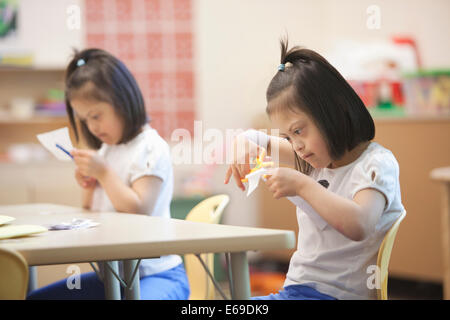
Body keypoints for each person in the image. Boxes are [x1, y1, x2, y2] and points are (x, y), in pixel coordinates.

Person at [224, 39, 405, 300]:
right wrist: (244, 142)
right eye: (287, 137)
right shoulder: (314, 159)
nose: (296, 146)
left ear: (332, 111)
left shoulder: (375, 164)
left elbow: (360, 225)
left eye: (298, 131)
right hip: (299, 291)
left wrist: (302, 185)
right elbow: (257, 139)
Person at [28, 49, 189, 300]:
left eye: (96, 116)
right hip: (114, 278)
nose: (92, 126)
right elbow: (88, 209)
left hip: (157, 274)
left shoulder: (150, 147)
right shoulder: (108, 149)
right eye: (84, 119)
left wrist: (103, 173)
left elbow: (139, 209)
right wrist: (89, 182)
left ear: (123, 101)